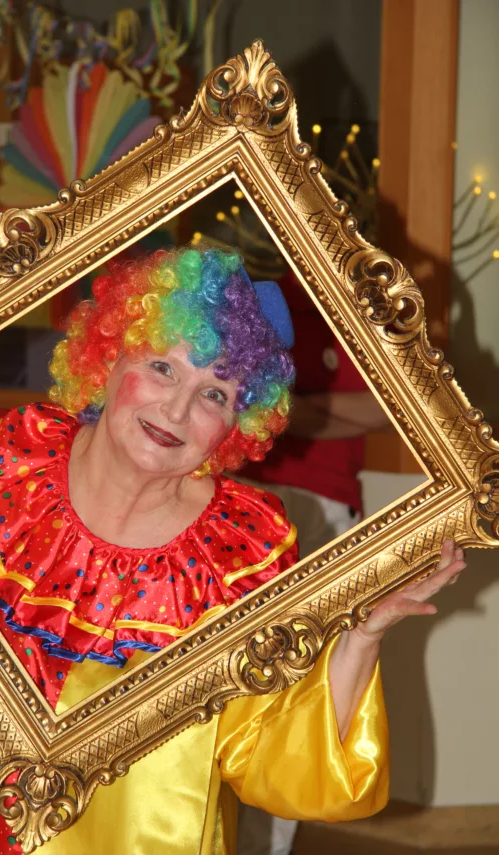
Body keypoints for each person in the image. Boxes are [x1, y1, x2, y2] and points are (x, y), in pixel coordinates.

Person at [0, 247, 465, 855]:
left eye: (215, 395)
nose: (177, 410)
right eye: (163, 367)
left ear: (238, 424)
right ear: (109, 357)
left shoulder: (238, 555)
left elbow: (274, 753)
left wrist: (361, 635)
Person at [237, 269, 390, 855]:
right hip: (241, 499)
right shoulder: (256, 298)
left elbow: (390, 405)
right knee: (234, 687)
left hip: (326, 510)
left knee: (302, 690)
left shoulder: (367, 302)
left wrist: (284, 411)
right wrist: (308, 413)